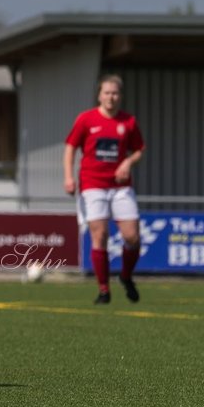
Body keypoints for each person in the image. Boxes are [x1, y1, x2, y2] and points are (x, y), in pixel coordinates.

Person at [64, 74, 145, 305]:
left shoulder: (128, 122)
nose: (111, 97)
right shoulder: (86, 120)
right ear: (99, 95)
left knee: (132, 236)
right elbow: (70, 147)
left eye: (115, 93)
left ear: (120, 96)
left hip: (120, 187)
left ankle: (126, 276)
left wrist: (128, 162)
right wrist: (69, 177)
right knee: (99, 236)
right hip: (92, 184)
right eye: (107, 92)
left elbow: (139, 149)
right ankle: (103, 290)